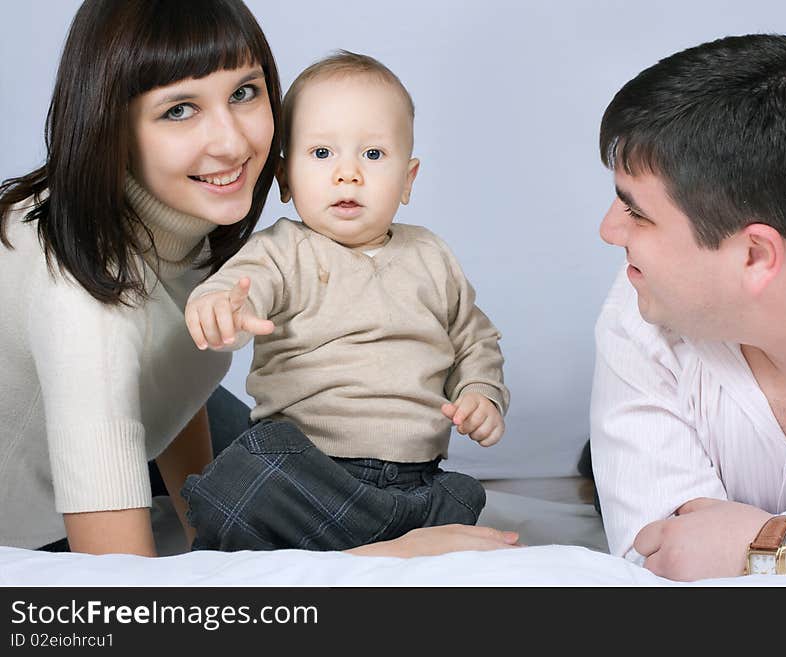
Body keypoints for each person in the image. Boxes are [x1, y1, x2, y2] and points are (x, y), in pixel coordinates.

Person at [0, 0, 518, 559]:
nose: (232, 142)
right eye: (179, 109)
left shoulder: (187, 214)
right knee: (263, 474)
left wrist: (205, 543)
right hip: (26, 513)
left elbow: (173, 377)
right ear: (110, 125)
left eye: (244, 92)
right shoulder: (80, 306)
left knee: (282, 462)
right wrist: (382, 561)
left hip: (140, 421)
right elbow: (127, 598)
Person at [180, 51, 510, 552]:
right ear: (286, 180)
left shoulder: (431, 255)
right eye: (321, 154)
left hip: (413, 478)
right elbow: (244, 283)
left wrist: (482, 393)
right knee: (249, 468)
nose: (348, 174)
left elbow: (474, 340)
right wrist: (224, 305)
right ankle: (381, 544)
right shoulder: (282, 249)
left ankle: (369, 535)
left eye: (373, 155)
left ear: (408, 180)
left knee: (463, 497)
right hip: (310, 468)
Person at [590, 33, 786, 580]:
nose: (608, 230)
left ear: (754, 255)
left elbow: (715, 559)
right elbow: (664, 561)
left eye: (639, 214)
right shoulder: (641, 310)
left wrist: (767, 542)